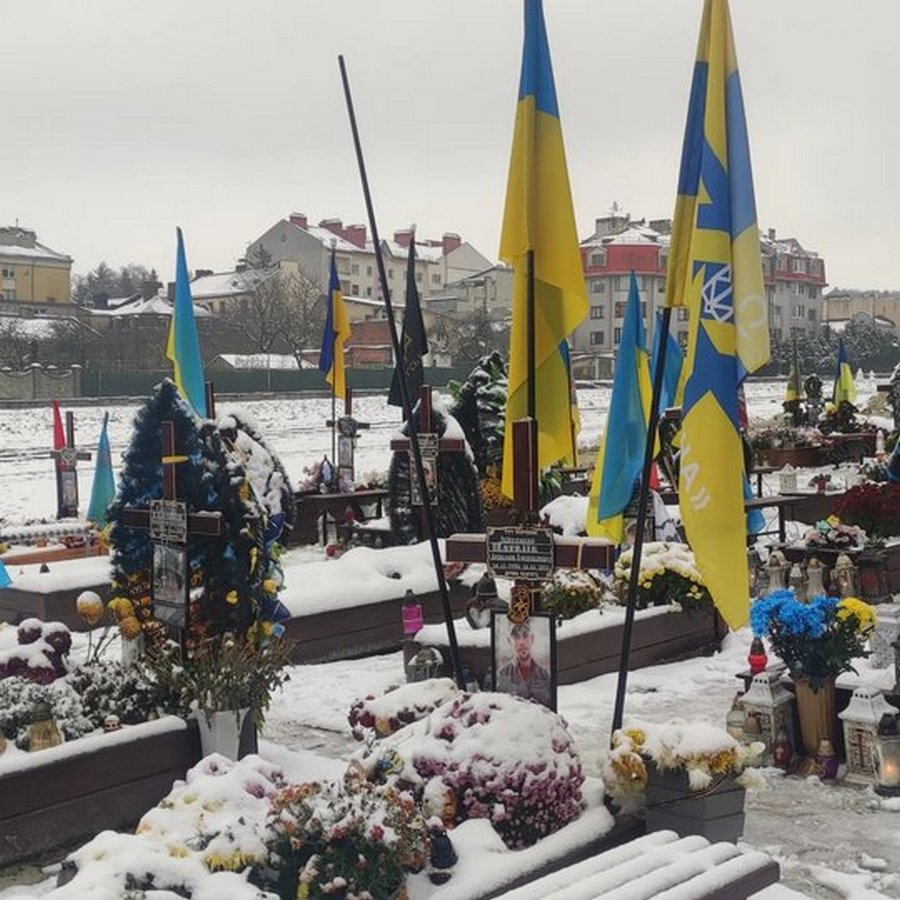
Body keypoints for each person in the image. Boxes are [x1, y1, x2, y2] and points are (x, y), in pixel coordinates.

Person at [496, 621, 552, 708]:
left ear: (532, 639)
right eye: (516, 637)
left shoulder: (545, 675)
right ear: (509, 641)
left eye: (525, 636)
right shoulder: (501, 675)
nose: (521, 642)